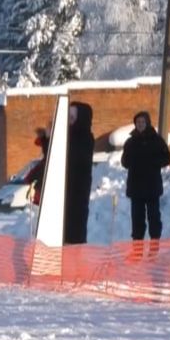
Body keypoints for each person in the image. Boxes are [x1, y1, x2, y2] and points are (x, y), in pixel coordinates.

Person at [121, 110, 170, 250]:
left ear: (148, 123)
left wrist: (154, 162)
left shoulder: (156, 140)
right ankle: (137, 249)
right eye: (138, 122)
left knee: (154, 217)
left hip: (152, 187)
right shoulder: (130, 142)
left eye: (143, 122)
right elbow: (124, 162)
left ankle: (154, 247)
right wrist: (130, 160)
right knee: (137, 219)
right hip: (136, 187)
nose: (140, 124)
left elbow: (167, 158)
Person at [65, 103, 95, 244]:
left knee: (75, 226)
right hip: (67, 191)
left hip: (77, 191)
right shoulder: (68, 136)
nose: (69, 121)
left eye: (72, 117)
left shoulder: (85, 137)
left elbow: (75, 158)